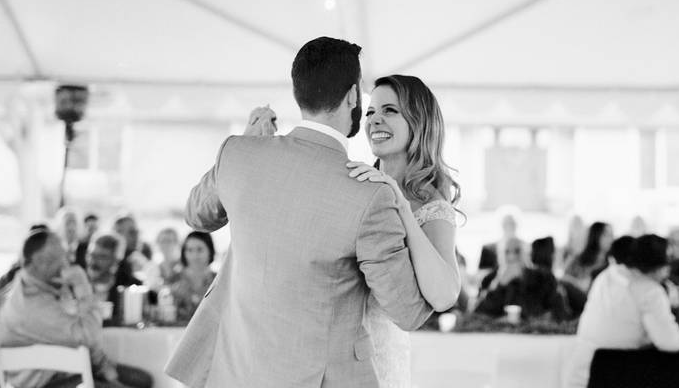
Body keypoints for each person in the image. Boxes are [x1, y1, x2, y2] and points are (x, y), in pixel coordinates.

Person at [168, 37, 432, 388]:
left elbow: (196, 216)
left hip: (233, 373)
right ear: (354, 96)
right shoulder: (370, 194)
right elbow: (408, 311)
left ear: (298, 92)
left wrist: (248, 141)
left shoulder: (238, 153)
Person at [346, 74, 463, 385]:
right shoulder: (354, 185)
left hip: (379, 364)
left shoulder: (432, 207)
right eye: (370, 112)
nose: (374, 120)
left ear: (419, 122)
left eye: (389, 110)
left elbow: (444, 295)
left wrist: (400, 204)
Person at [0, 230, 152, 388]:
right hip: (51, 382)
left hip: (67, 371)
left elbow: (87, 341)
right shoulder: (31, 305)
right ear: (41, 261)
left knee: (142, 380)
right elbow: (88, 336)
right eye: (63, 255)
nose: (69, 261)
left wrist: (107, 370)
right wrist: (83, 287)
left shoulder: (37, 287)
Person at [565, 234, 679, 388]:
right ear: (658, 265)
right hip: (620, 378)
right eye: (668, 261)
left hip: (581, 376)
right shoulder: (650, 291)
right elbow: (671, 344)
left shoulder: (606, 276)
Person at [475, 238, 569, 322]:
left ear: (526, 254)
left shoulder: (543, 277)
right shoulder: (489, 279)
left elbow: (558, 310)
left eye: (517, 251)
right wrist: (500, 284)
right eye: (507, 252)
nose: (511, 257)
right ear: (500, 255)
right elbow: (477, 312)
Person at [85, 233, 142, 313]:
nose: (93, 261)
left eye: (102, 257)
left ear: (115, 261)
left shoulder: (132, 287)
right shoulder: (74, 286)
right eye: (91, 255)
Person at [170, 232, 217, 323]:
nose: (194, 256)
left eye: (200, 250)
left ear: (210, 251)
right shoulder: (174, 279)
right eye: (189, 250)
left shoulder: (219, 280)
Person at [564, 222, 614, 293]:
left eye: (612, 235)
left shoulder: (612, 264)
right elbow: (564, 278)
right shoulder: (578, 260)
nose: (611, 239)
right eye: (606, 235)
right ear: (596, 235)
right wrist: (578, 283)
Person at [478, 206, 528, 276]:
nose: (509, 227)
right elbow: (481, 275)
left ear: (517, 225)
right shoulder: (488, 249)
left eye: (512, 224)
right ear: (501, 225)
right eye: (506, 224)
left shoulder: (527, 247)